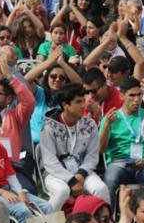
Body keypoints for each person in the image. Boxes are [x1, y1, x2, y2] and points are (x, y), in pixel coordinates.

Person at [40, 83, 109, 211]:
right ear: (65, 105)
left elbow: (92, 155)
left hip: (83, 171)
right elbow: (50, 162)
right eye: (78, 102)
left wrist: (81, 174)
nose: (83, 105)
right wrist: (71, 180)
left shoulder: (90, 124)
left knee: (101, 188)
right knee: (62, 191)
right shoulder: (48, 127)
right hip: (55, 173)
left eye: (83, 101)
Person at [100, 77, 144, 203]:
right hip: (119, 163)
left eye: (139, 95)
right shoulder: (110, 118)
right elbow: (101, 149)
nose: (136, 99)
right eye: (132, 95)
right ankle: (109, 221)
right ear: (122, 96)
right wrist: (106, 126)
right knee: (111, 179)